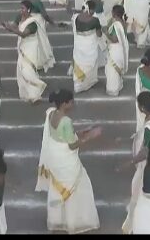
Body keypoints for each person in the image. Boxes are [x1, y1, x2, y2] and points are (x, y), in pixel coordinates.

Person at [35, 89, 102, 234]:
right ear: (65, 103)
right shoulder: (66, 121)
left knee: (58, 188)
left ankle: (58, 221)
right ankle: (75, 222)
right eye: (71, 102)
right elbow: (71, 145)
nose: (73, 104)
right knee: (79, 187)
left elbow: (61, 136)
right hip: (66, 160)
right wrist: (90, 136)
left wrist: (79, 133)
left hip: (55, 159)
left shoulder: (51, 113)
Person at [104, 4, 131, 96]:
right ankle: (118, 85)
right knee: (117, 67)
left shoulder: (116, 25)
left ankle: (113, 89)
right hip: (121, 48)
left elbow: (114, 39)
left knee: (112, 69)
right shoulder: (122, 22)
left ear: (114, 13)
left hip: (115, 49)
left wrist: (106, 33)